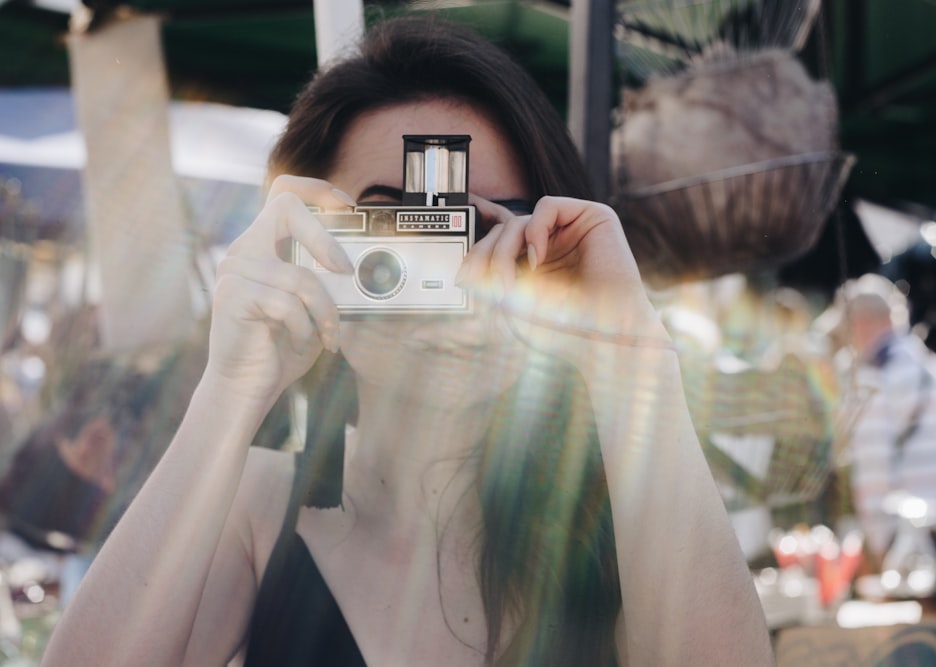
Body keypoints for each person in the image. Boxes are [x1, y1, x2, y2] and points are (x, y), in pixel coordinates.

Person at [42, 15, 772, 666]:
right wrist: (231, 386)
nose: (449, 289)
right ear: (305, 250)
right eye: (391, 240)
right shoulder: (255, 509)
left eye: (487, 234)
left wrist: (631, 359)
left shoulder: (625, 527)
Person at [830, 273, 936, 562]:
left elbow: (874, 468)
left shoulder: (875, 377)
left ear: (862, 323)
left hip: (907, 538)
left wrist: (880, 544)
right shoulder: (923, 363)